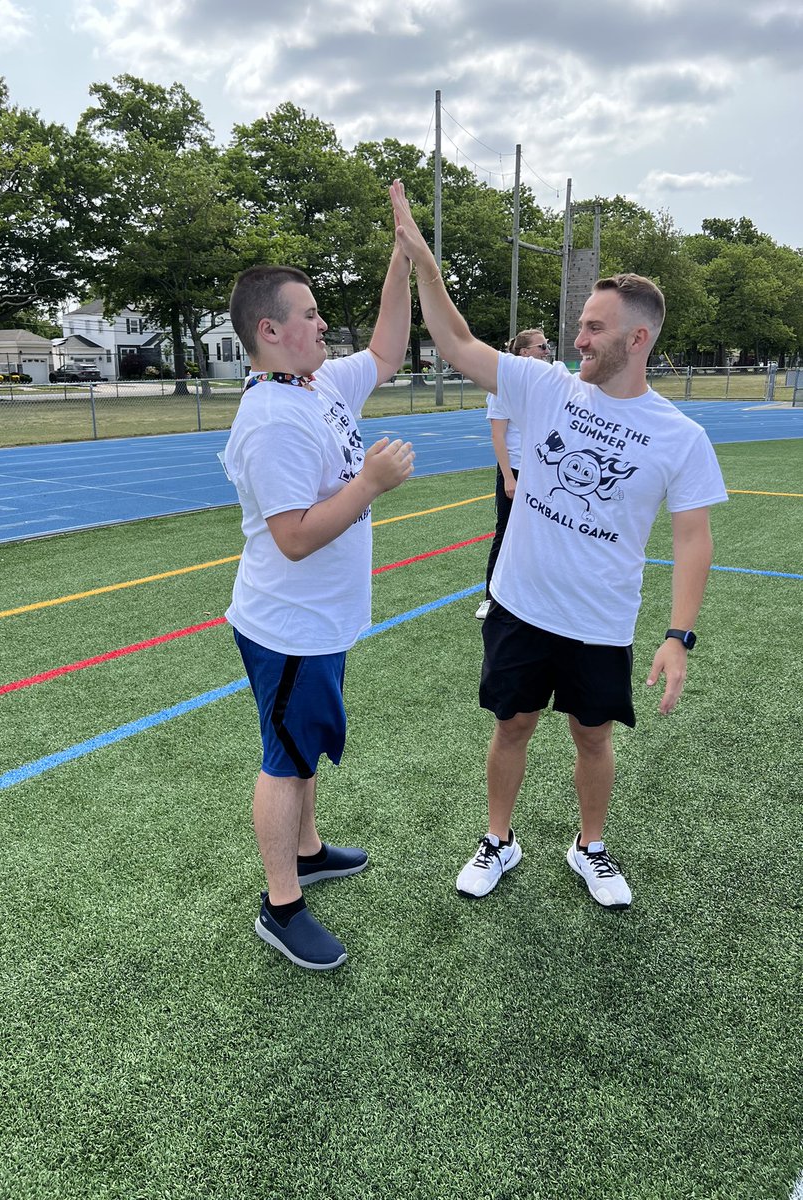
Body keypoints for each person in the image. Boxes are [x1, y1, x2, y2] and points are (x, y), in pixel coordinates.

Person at [390, 179, 727, 909]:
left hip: (600, 620)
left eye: (595, 328)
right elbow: (454, 341)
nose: (578, 338)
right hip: (520, 603)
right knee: (511, 726)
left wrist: (679, 636)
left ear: (637, 339)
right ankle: (498, 839)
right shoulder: (546, 387)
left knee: (592, 737)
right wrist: (422, 261)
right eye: (579, 324)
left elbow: (693, 537)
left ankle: (590, 847)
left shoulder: (681, 436)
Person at [223, 245, 414, 970]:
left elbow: (387, 350)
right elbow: (294, 537)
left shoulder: (317, 383)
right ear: (270, 332)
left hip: (320, 622)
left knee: (304, 747)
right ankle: (281, 906)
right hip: (288, 626)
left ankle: (306, 852)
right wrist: (369, 484)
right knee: (285, 759)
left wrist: (399, 262)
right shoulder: (272, 419)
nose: (321, 321)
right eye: (308, 314)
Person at [475, 329, 551, 620]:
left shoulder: (544, 383)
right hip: (515, 469)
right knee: (505, 532)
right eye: (541, 346)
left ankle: (530, 594)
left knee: (539, 532)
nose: (546, 350)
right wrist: (508, 477)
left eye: (547, 345)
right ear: (523, 353)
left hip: (539, 469)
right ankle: (490, 598)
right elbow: (498, 436)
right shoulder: (503, 387)